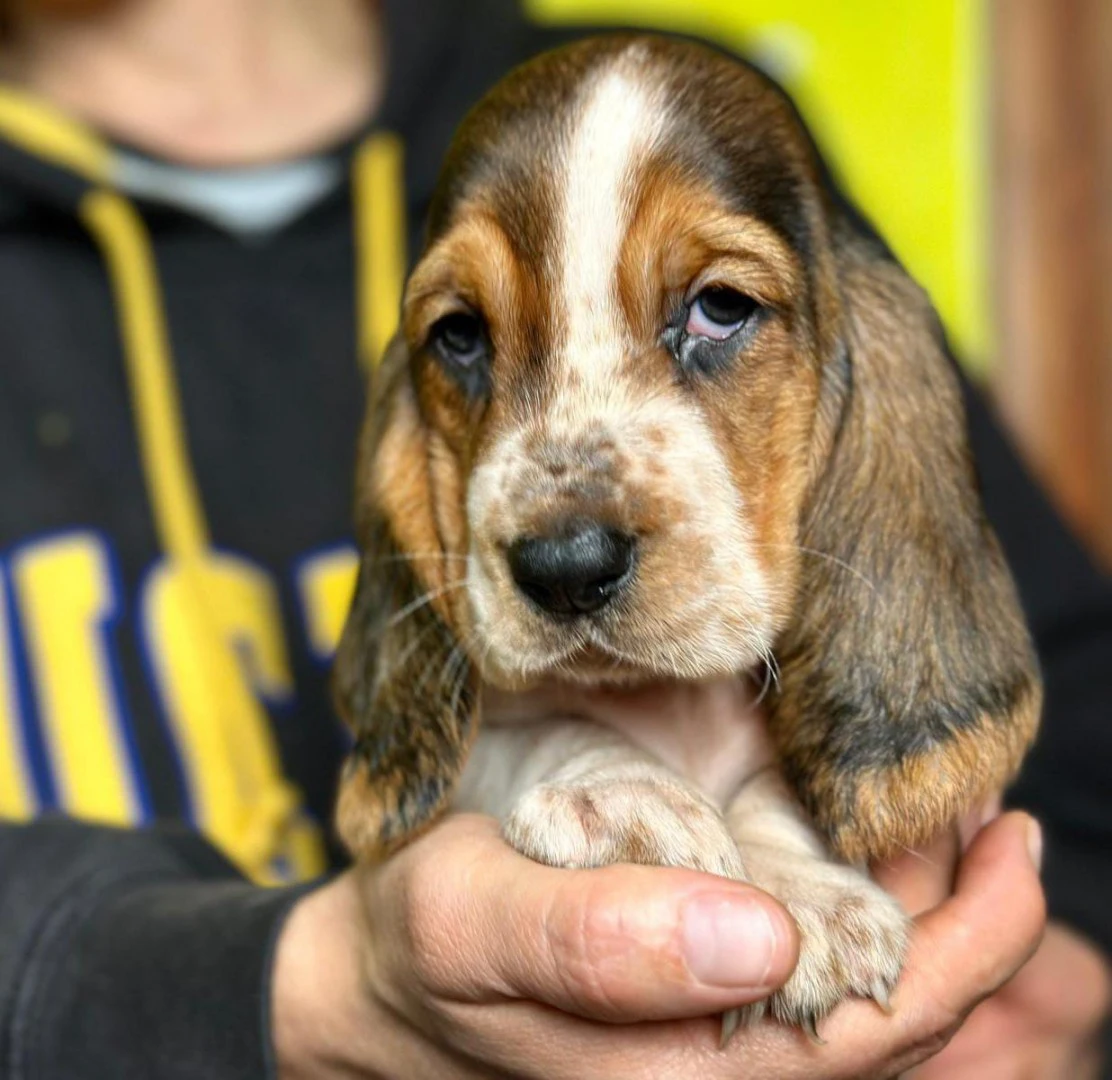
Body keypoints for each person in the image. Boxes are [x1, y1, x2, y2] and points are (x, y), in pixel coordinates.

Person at [0, 1, 1105, 1077]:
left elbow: (1071, 723)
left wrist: (1046, 968)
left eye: (715, 308)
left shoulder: (695, 115)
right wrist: (282, 990)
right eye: (464, 333)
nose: (565, 534)